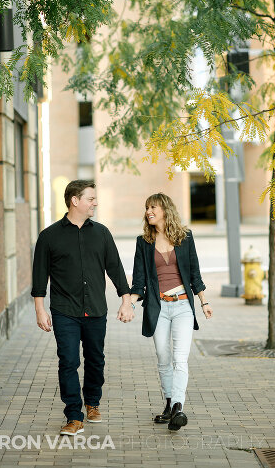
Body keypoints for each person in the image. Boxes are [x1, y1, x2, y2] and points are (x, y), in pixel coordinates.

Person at [32, 180, 134, 436]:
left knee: (95, 359)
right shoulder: (49, 236)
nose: (95, 203)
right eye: (91, 198)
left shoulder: (101, 233)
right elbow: (39, 276)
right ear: (74, 201)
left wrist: (126, 300)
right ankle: (74, 416)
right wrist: (40, 309)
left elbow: (116, 269)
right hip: (64, 310)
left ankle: (93, 402)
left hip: (96, 310)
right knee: (68, 361)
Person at [129, 193, 213, 431]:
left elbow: (195, 273)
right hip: (159, 307)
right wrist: (131, 304)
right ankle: (169, 405)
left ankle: (178, 406)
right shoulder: (143, 242)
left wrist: (204, 302)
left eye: (153, 207)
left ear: (165, 209)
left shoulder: (185, 238)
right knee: (164, 359)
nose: (148, 211)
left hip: (183, 306)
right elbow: (139, 280)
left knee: (180, 358)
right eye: (146, 208)